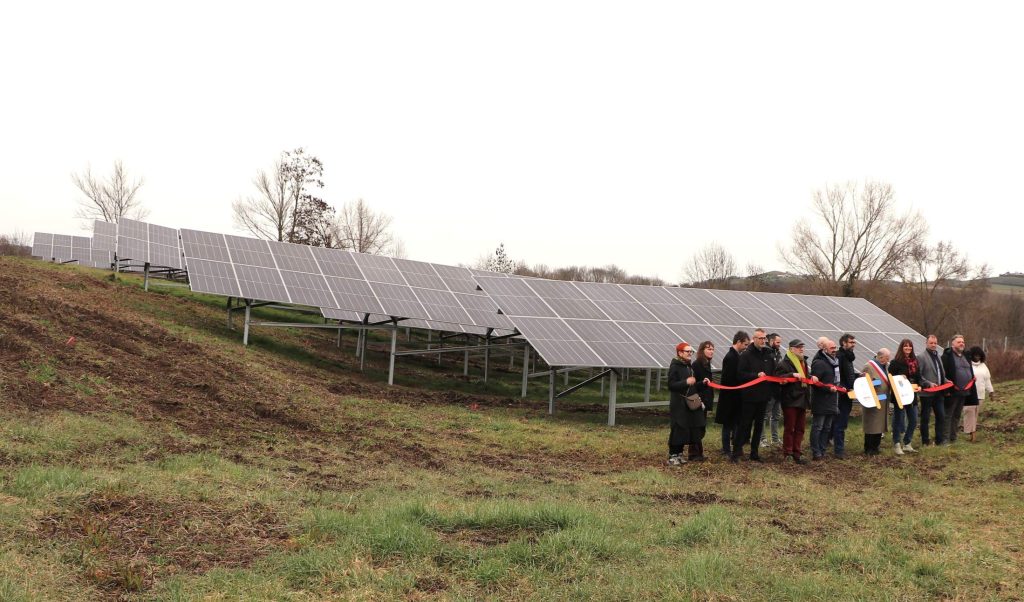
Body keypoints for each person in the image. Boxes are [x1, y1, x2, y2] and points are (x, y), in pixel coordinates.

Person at [732, 329, 776, 463]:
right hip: (749, 397)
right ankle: (736, 452)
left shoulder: (768, 354)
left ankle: (754, 452)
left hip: (763, 397)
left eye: (764, 338)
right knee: (744, 425)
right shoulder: (746, 355)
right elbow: (740, 375)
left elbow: (773, 373)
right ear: (754, 339)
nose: (763, 341)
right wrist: (755, 375)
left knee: (759, 425)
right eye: (760, 338)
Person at [777, 339, 817, 464]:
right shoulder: (783, 363)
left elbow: (805, 378)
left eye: (802, 347)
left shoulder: (803, 362)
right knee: (790, 428)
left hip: (802, 399)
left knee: (800, 428)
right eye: (798, 347)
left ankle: (797, 452)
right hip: (790, 400)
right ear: (791, 349)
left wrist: (811, 377)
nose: (801, 349)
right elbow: (778, 378)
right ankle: (788, 453)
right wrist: (791, 375)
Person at [666, 342, 704, 465]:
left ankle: (680, 453)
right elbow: (671, 385)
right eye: (687, 351)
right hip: (678, 403)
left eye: (691, 352)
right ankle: (673, 455)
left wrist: (701, 383)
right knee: (678, 428)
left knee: (686, 429)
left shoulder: (689, 366)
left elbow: (692, 386)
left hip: (688, 402)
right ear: (680, 353)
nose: (690, 354)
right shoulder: (675, 366)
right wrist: (685, 382)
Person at [715, 331, 749, 457]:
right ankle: (726, 449)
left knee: (734, 423)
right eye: (745, 344)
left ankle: (734, 448)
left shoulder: (737, 356)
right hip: (729, 397)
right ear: (738, 342)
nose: (746, 347)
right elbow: (729, 379)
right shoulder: (730, 357)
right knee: (728, 425)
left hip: (735, 396)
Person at [942, 335, 977, 443]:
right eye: (959, 342)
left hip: (965, 391)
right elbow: (944, 374)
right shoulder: (947, 356)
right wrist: (946, 390)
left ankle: (953, 437)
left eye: (962, 342)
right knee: (948, 415)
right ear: (953, 344)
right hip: (952, 391)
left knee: (957, 415)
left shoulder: (966, 355)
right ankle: (945, 438)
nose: (961, 343)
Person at [809, 338, 840, 460]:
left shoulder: (834, 363)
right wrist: (828, 389)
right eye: (832, 348)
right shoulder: (819, 363)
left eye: (835, 348)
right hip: (821, 401)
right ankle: (816, 451)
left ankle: (822, 450)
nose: (834, 350)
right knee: (818, 427)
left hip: (832, 400)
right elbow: (815, 383)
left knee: (827, 428)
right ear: (824, 349)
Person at [887, 339, 920, 454]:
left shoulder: (915, 362)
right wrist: (899, 376)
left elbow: (918, 378)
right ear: (901, 348)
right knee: (899, 420)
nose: (908, 348)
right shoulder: (895, 362)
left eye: (910, 346)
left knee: (914, 420)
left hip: (912, 395)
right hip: (899, 396)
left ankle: (907, 442)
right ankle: (896, 443)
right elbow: (890, 377)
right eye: (906, 346)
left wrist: (920, 385)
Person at [831, 333, 859, 459]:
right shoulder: (840, 356)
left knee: (840, 422)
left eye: (854, 342)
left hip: (848, 393)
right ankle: (839, 450)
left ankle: (829, 442)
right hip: (841, 394)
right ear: (844, 343)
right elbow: (837, 375)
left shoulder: (848, 357)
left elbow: (848, 373)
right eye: (851, 342)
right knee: (840, 422)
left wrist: (858, 377)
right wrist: (843, 387)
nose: (854, 345)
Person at [917, 334, 948, 446]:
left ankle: (940, 440)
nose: (934, 345)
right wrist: (928, 384)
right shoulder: (921, 357)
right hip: (927, 394)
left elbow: (940, 373)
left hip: (939, 392)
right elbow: (919, 376)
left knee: (941, 415)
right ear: (926, 343)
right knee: (925, 418)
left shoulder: (938, 356)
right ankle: (925, 441)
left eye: (935, 343)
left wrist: (946, 380)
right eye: (931, 343)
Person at [861, 348, 891, 455]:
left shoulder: (886, 367)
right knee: (871, 425)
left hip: (883, 399)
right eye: (887, 358)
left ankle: (876, 446)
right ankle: (868, 448)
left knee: (880, 424)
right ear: (881, 357)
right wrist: (876, 382)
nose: (888, 360)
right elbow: (865, 383)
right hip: (873, 400)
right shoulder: (869, 366)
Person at [965, 345, 995, 442]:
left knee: (975, 414)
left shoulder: (983, 366)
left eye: (979, 355)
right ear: (972, 355)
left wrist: (991, 391)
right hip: (969, 393)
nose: (977, 357)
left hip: (980, 394)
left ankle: (972, 432)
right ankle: (971, 431)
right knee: (969, 412)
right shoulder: (967, 364)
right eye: (975, 355)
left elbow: (987, 380)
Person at [761, 333, 784, 448]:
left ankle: (775, 439)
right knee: (765, 415)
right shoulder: (766, 354)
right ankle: (762, 439)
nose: (780, 345)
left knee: (776, 415)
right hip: (769, 390)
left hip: (778, 390)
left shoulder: (778, 354)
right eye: (778, 342)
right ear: (771, 341)